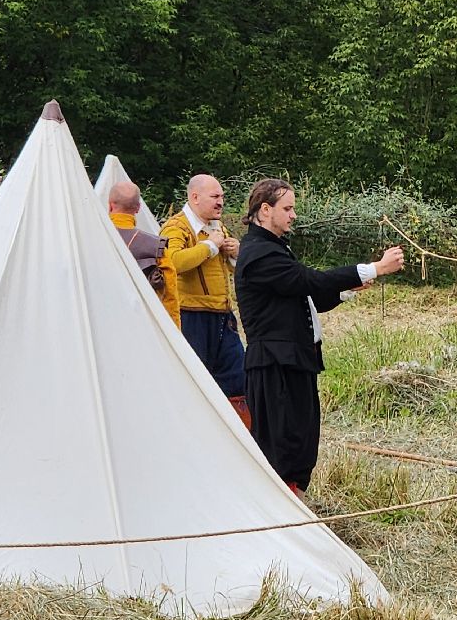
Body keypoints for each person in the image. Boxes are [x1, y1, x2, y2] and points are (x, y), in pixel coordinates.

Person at [235, 178, 404, 495]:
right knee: (281, 449)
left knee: (300, 444)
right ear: (265, 209)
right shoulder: (259, 254)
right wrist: (374, 268)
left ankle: (294, 513)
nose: (293, 215)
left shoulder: (272, 249)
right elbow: (307, 281)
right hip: (274, 366)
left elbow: (306, 297)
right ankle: (281, 523)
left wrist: (347, 289)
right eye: (288, 208)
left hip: (293, 362)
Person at [162, 174, 248, 427]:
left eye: (222, 196)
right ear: (195, 197)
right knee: (193, 383)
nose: (221, 202)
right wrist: (210, 246)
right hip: (191, 317)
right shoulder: (175, 227)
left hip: (222, 316)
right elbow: (172, 262)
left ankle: (240, 439)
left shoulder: (217, 227)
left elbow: (231, 269)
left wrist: (236, 253)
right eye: (215, 197)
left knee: (238, 380)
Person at [108, 180, 179, 329]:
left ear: (109, 205)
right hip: (141, 327)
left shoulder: (88, 237)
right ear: (138, 208)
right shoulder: (155, 247)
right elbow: (169, 297)